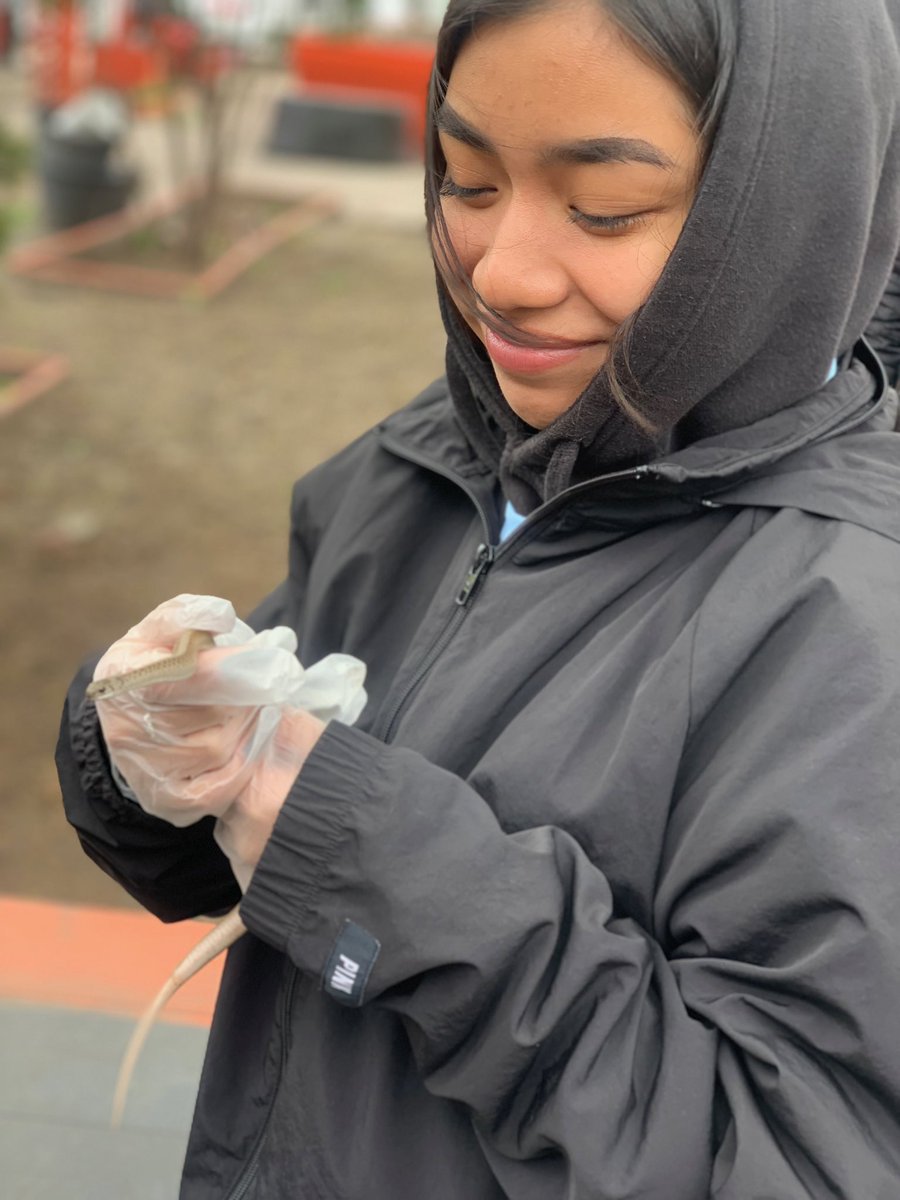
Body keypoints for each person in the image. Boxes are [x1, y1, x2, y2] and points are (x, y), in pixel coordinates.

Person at [57, 0, 900, 1196]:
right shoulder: (428, 459)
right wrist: (148, 750)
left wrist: (375, 861)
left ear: (780, 210)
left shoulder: (849, 622)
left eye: (604, 209)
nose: (500, 273)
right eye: (465, 179)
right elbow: (261, 825)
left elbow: (794, 1159)